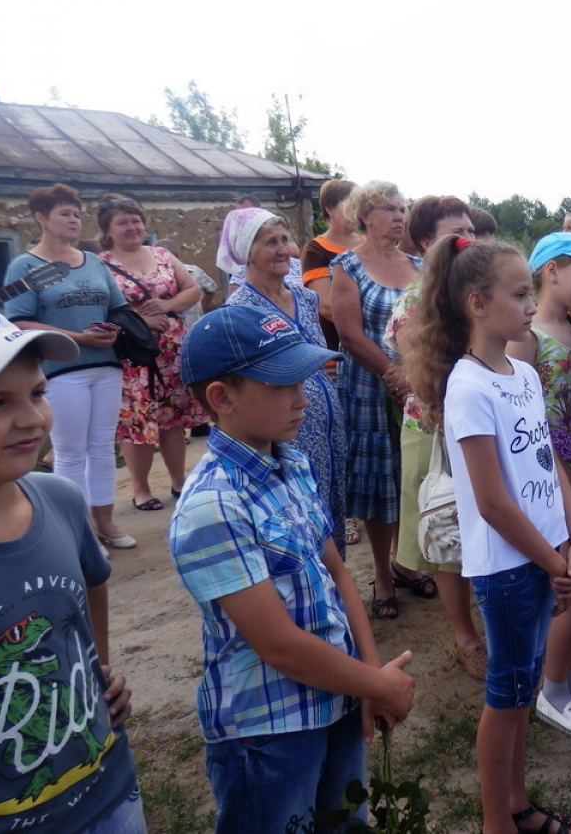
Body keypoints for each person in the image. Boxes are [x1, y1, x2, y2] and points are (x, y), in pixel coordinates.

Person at [170, 303, 415, 829]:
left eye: (303, 379)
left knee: (343, 819)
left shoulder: (291, 463)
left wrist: (369, 675)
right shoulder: (213, 506)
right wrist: (377, 687)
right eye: (283, 385)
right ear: (222, 398)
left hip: (338, 699)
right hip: (268, 734)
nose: (303, 398)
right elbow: (279, 645)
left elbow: (338, 572)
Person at [402, 236, 571, 834]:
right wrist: (551, 563)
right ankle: (496, 822)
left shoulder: (524, 373)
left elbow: (547, 461)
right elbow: (492, 501)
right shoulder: (469, 385)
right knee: (506, 695)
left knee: (521, 689)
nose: (531, 304)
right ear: (478, 303)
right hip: (509, 567)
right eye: (518, 294)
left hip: (544, 554)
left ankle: (516, 803)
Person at [0, 312, 145, 833]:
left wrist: (96, 668)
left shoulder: (60, 499)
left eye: (37, 393)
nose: (32, 418)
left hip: (108, 792)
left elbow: (90, 584)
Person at [508, 232, 571, 738]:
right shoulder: (526, 337)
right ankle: (551, 692)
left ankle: (564, 683)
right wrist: (567, 480)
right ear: (551, 271)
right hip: (554, 485)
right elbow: (522, 418)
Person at [3, 184, 133, 547]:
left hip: (106, 365)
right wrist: (77, 338)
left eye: (76, 214)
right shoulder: (25, 265)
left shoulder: (94, 262)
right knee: (71, 451)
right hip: (61, 369)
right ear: (41, 218)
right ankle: (80, 533)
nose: (73, 220)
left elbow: (117, 309)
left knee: (103, 446)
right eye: (64, 213)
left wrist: (117, 329)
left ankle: (106, 523)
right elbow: (20, 320)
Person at [385, 196, 482, 676]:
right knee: (446, 532)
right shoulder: (414, 301)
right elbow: (420, 377)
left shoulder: (476, 291)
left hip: (476, 429)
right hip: (436, 431)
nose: (469, 239)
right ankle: (465, 636)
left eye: (471, 228)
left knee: (479, 524)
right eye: (456, 232)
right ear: (426, 243)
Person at [225, 210, 348, 554]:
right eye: (270, 243)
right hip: (288, 432)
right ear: (248, 252)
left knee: (330, 510)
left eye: (285, 240)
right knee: (300, 518)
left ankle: (335, 595)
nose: (283, 250)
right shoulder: (239, 310)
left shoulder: (305, 298)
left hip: (327, 424)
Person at [330, 182, 425, 617]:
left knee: (413, 477)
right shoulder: (347, 266)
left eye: (402, 208)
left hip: (417, 389)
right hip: (370, 390)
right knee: (378, 482)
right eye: (389, 208)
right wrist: (392, 374)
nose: (399, 216)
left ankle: (408, 563)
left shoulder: (420, 266)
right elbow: (349, 334)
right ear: (365, 215)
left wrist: (416, 377)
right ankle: (383, 576)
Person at [99, 194, 207, 513]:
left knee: (172, 420)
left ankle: (178, 481)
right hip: (134, 355)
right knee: (137, 424)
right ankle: (141, 489)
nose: (132, 227)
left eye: (136, 220)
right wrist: (141, 321)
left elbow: (193, 289)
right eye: (123, 222)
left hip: (171, 351)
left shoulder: (161, 254)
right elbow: (100, 309)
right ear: (108, 230)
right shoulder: (100, 264)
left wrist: (168, 305)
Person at [301, 178, 360, 352]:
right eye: (349, 205)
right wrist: (366, 331)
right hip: (335, 346)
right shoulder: (316, 250)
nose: (355, 212)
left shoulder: (368, 243)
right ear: (330, 209)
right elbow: (325, 305)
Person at [155, 239, 218, 328]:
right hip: (170, 328)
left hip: (194, 324)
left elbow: (211, 289)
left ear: (176, 255)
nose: (162, 261)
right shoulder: (155, 279)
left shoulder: (194, 272)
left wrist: (201, 307)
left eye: (164, 256)